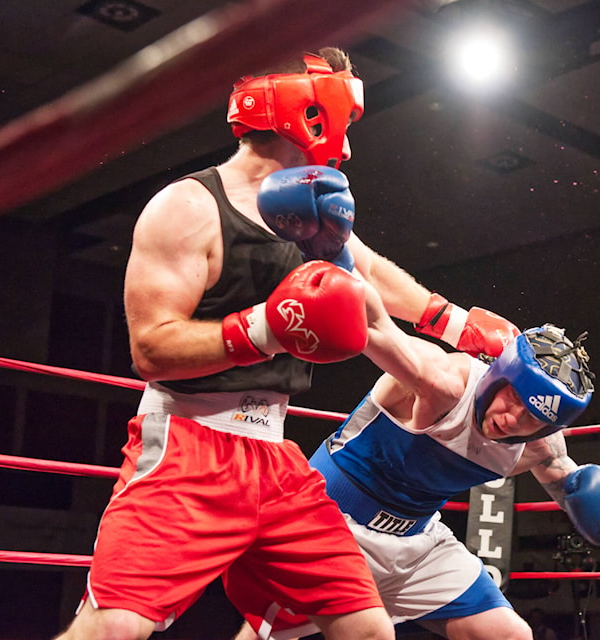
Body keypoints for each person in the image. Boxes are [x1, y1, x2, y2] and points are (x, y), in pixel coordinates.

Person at [53, 48, 519, 640]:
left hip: (277, 457)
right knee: (116, 628)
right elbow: (151, 349)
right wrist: (263, 329)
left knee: (368, 630)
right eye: (343, 123)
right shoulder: (188, 207)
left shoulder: (308, 213)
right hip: (188, 447)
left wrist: (452, 323)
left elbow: (367, 271)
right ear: (309, 112)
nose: (346, 145)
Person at [235, 324, 600, 640]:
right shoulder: (437, 381)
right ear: (500, 374)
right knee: (271, 633)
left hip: (418, 542)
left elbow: (563, 478)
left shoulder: (538, 445)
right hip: (330, 524)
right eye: (513, 397)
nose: (513, 419)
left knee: (509, 635)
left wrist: (582, 494)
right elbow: (369, 325)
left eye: (532, 417)